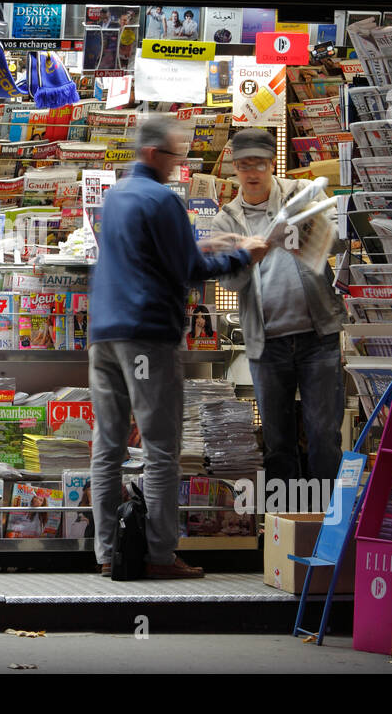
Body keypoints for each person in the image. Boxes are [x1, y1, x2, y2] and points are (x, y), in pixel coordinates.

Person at [89, 114, 269, 579]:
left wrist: (209, 243)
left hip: (104, 337)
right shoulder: (160, 199)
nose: (176, 165)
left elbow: (153, 254)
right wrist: (241, 255)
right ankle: (158, 554)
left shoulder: (116, 197)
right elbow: (187, 270)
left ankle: (108, 553)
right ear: (153, 154)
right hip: (146, 336)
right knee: (161, 447)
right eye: (173, 156)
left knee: (107, 447)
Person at [207, 128, 348, 487]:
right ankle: (284, 527)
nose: (252, 173)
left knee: (324, 438)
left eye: (259, 164)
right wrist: (248, 255)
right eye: (243, 165)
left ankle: (327, 529)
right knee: (277, 443)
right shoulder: (226, 220)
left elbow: (337, 243)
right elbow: (230, 283)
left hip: (318, 337)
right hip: (266, 345)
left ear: (272, 164)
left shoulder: (300, 195)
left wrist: (302, 238)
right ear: (234, 169)